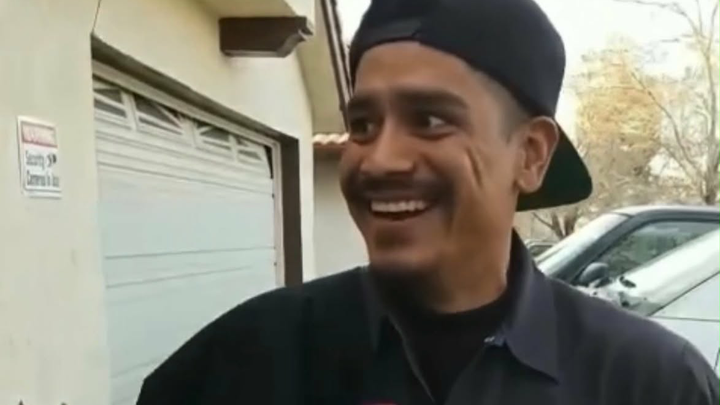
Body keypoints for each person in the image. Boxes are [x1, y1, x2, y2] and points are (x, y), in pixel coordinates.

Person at [137, 0, 720, 404]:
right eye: (363, 124)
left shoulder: (649, 385)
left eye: (431, 120)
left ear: (530, 155)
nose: (379, 160)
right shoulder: (236, 366)